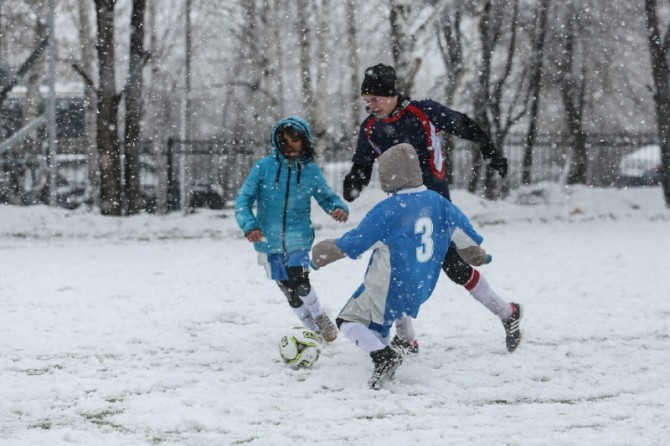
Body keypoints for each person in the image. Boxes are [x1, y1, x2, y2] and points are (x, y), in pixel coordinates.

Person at [342, 63, 522, 353]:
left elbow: (465, 125)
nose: (371, 106)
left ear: (391, 94)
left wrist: (491, 151)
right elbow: (362, 163)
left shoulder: (423, 112)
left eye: (375, 99)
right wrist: (354, 182)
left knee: (455, 269)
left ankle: (508, 312)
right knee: (394, 269)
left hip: (434, 206)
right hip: (400, 209)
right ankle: (406, 339)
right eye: (366, 101)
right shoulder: (371, 128)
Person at [312, 144, 490, 389]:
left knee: (348, 320)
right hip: (421, 285)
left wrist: (322, 253)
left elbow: (356, 242)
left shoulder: (389, 209)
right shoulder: (439, 202)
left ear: (388, 174)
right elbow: (466, 238)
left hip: (389, 283)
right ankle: (389, 357)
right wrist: (478, 256)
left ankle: (383, 357)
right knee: (382, 321)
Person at [235, 116, 349, 343]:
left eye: (295, 139)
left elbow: (326, 196)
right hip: (268, 240)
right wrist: (250, 226)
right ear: (276, 142)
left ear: (305, 140)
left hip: (299, 236)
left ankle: (320, 317)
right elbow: (243, 200)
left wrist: (337, 208)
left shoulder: (311, 171)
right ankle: (313, 332)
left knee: (301, 283)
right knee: (289, 291)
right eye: (284, 141)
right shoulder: (263, 168)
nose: (289, 145)